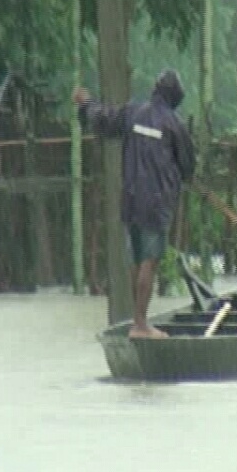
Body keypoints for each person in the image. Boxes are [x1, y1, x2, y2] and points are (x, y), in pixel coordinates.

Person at [74, 69, 196, 338]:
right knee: (149, 263)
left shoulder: (133, 113)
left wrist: (87, 103)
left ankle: (137, 321)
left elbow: (102, 119)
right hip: (156, 204)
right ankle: (141, 325)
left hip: (130, 200)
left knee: (137, 260)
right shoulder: (175, 125)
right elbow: (188, 166)